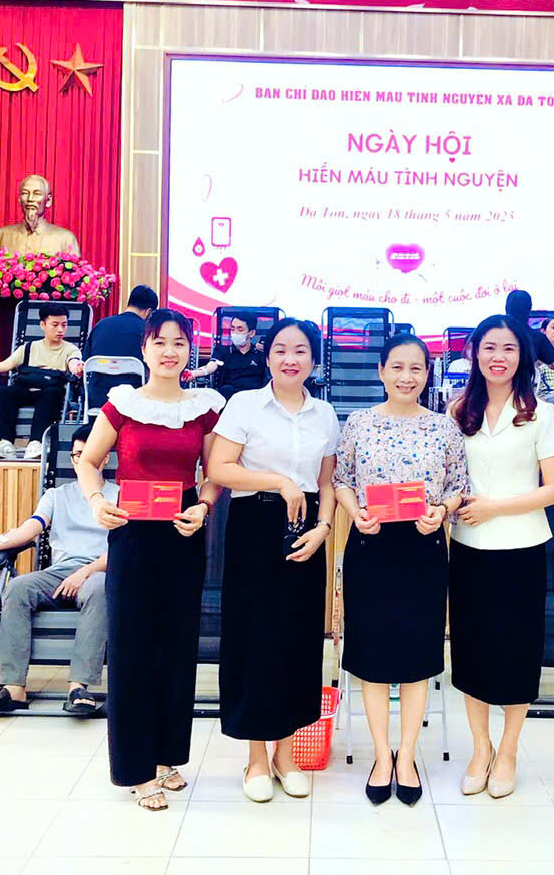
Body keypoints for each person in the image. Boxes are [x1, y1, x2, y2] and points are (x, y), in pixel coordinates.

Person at [78, 309, 224, 811]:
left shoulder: (205, 409)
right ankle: (137, 769)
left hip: (182, 530)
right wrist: (96, 501)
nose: (169, 351)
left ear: (190, 351)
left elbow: (214, 473)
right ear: (144, 348)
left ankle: (166, 757)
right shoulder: (121, 404)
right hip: (132, 531)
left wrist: (203, 507)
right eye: (160, 341)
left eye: (179, 342)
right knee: (132, 647)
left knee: (177, 646)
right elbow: (89, 462)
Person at [206, 317, 338, 803]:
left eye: (300, 350)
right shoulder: (245, 404)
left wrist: (324, 528)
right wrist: (277, 481)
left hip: (307, 530)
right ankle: (257, 757)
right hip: (255, 526)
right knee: (254, 637)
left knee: (297, 640)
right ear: (267, 356)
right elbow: (219, 468)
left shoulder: (324, 413)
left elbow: (326, 483)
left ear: (313, 359)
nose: (290, 358)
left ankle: (287, 754)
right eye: (281, 349)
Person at [333, 333, 468, 806]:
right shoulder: (358, 423)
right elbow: (342, 479)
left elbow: (458, 485)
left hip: (422, 547)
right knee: (370, 655)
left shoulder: (444, 427)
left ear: (427, 374)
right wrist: (355, 512)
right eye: (397, 367)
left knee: (417, 655)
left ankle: (406, 755)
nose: (406, 377)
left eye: (416, 368)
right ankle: (380, 755)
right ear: (381, 371)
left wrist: (442, 511)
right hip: (370, 545)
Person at [448, 315, 554, 799]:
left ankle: (510, 750)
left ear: (523, 357)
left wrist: (494, 507)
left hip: (522, 547)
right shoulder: (458, 411)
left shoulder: (541, 414)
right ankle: (481, 748)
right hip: (468, 547)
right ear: (474, 353)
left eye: (509, 349)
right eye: (490, 347)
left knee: (518, 651)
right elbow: (448, 479)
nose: (499, 357)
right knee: (471, 649)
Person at [0, 424, 114, 716]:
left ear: (104, 457)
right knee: (17, 587)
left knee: (99, 588)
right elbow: (28, 530)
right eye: (77, 455)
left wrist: (86, 571)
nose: (81, 461)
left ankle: (78, 687)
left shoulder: (119, 495)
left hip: (101, 571)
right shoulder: (56, 495)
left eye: (88, 454)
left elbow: (126, 548)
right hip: (59, 574)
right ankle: (13, 687)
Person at [0, 303, 84, 461]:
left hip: (49, 393)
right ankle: (5, 443)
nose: (60, 330)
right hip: (25, 390)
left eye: (64, 325)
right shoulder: (28, 348)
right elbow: (6, 364)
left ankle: (36, 443)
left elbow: (74, 362)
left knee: (52, 393)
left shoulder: (70, 349)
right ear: (42, 325)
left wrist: (77, 367)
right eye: (55, 325)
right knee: (5, 392)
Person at [81, 284, 157, 408]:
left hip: (97, 400)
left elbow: (85, 363)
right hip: (134, 401)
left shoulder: (101, 325)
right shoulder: (148, 331)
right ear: (149, 312)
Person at [0, 174, 81, 256]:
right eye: (25, 193)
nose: (30, 199)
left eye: (37, 194)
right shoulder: (1, 236)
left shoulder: (66, 239)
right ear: (19, 199)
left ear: (48, 201)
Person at [188, 313, 267, 400]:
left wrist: (269, 351)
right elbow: (211, 367)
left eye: (240, 330)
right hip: (230, 397)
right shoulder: (222, 351)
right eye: (232, 329)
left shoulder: (260, 353)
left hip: (254, 397)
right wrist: (193, 373)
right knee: (226, 390)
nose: (235, 333)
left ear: (251, 333)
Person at [505, 289, 554, 371]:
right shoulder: (538, 337)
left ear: (506, 307)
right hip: (524, 379)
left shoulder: (493, 331)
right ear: (530, 309)